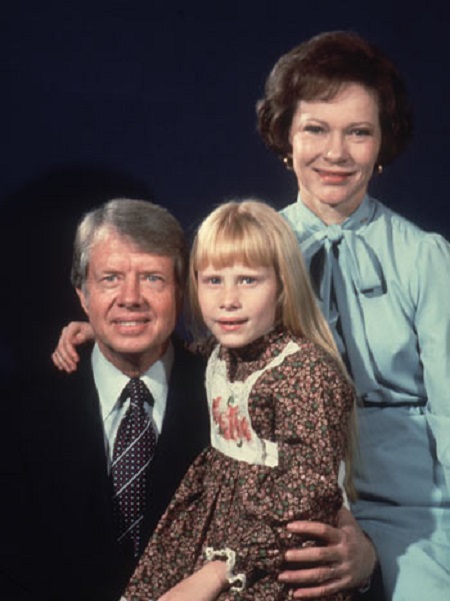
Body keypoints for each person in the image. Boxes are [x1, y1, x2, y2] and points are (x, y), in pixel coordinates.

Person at [256, 30, 450, 600]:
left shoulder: (426, 257)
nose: (336, 153)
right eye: (316, 128)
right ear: (286, 137)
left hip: (416, 509)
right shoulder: (251, 250)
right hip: (289, 498)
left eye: (358, 132)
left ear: (382, 145)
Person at [121, 199, 355, 600]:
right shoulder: (220, 354)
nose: (228, 299)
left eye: (248, 280)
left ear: (282, 287)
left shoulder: (306, 373)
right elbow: (177, 351)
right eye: (213, 280)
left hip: (273, 545)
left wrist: (218, 571)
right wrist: (106, 335)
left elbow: (309, 493)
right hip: (211, 527)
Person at [0, 198, 209, 600]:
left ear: (181, 291)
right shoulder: (19, 412)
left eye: (153, 278)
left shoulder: (226, 394)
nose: (130, 298)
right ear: (82, 293)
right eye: (110, 278)